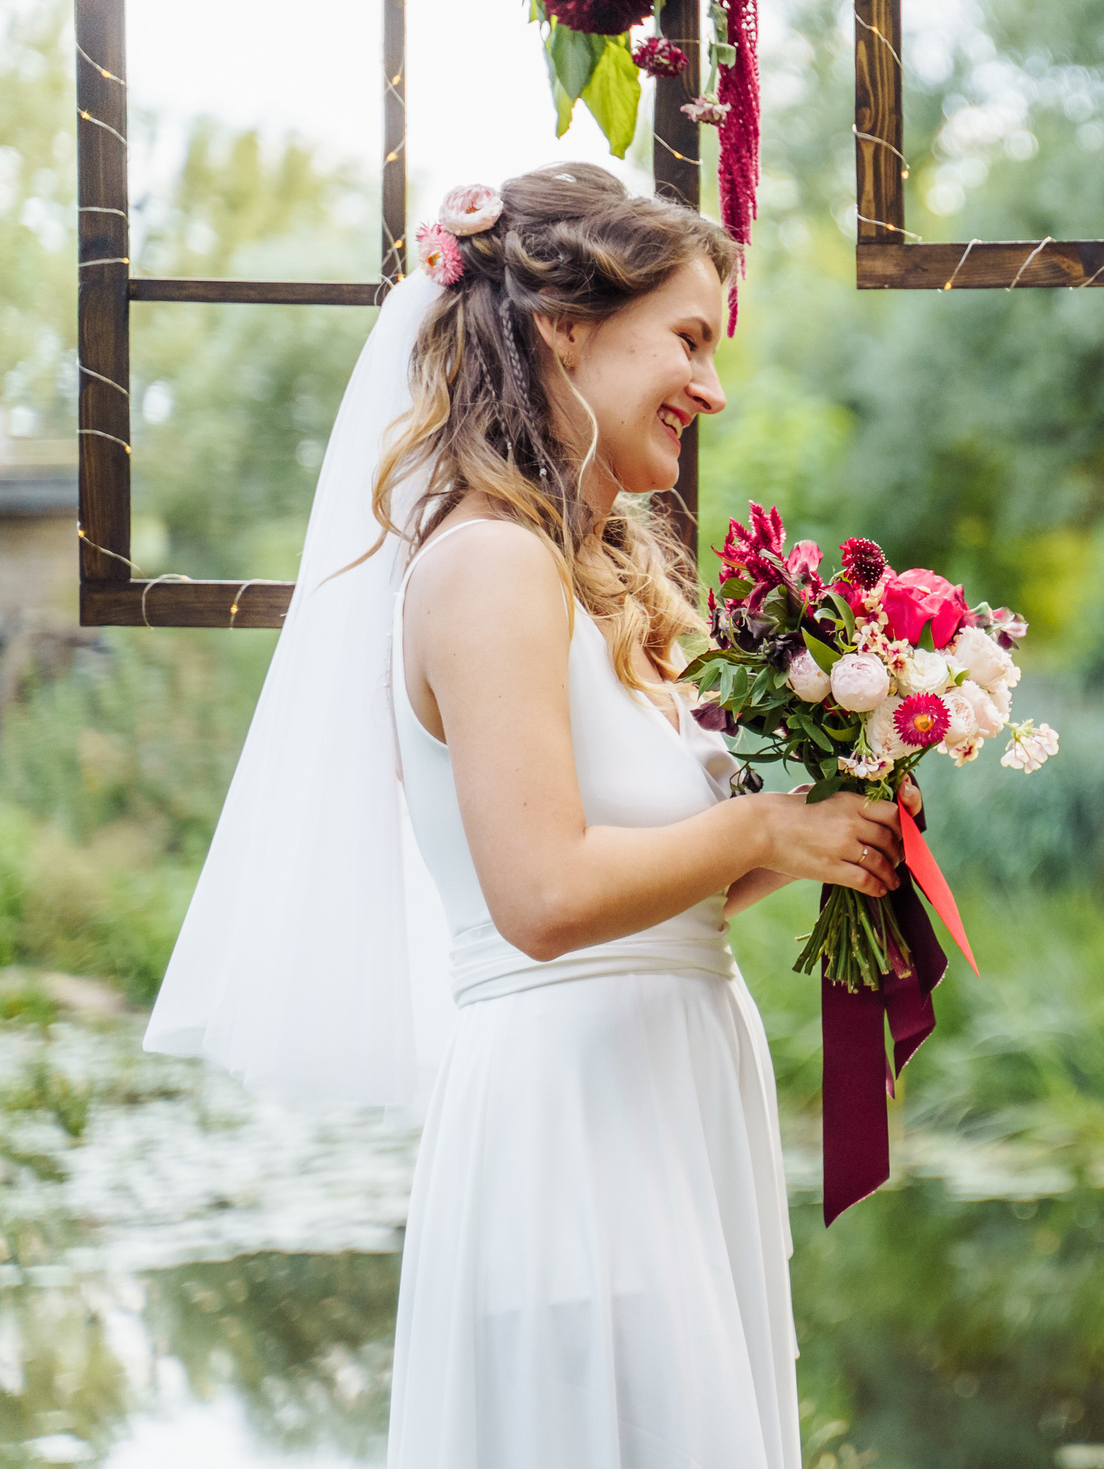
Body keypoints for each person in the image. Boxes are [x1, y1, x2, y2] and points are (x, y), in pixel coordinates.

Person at [145, 165, 915, 1466]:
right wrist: (758, 831)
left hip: (668, 1100)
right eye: (688, 339)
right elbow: (543, 899)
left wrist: (821, 827)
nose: (712, 387)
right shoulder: (489, 563)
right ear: (564, 326)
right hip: (572, 1130)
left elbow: (651, 895)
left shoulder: (594, 574)